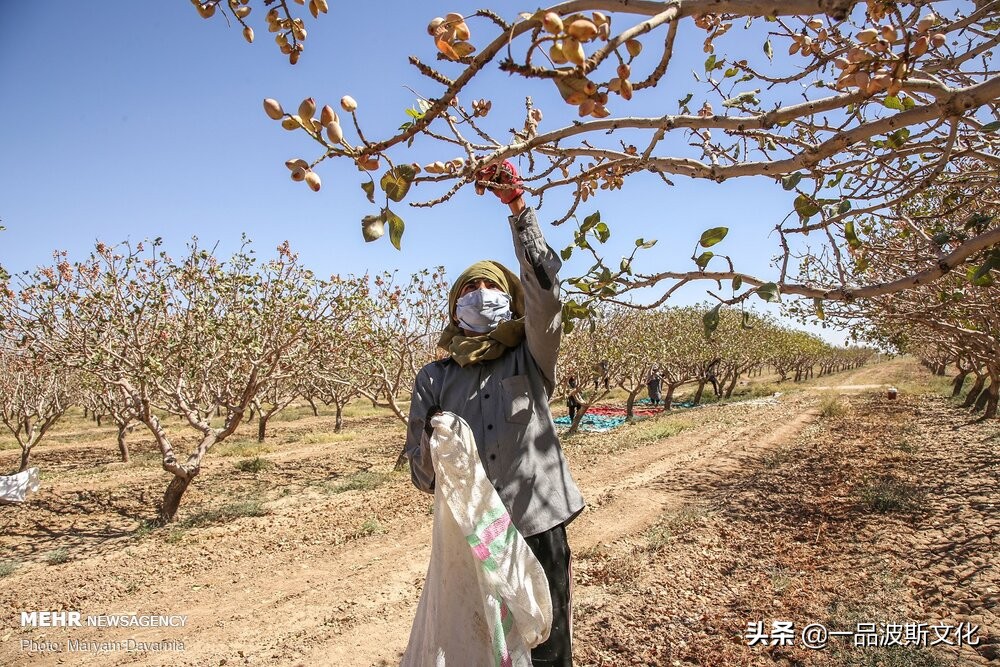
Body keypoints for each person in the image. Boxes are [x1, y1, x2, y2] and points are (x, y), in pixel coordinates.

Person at [404, 159, 585, 666]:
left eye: (490, 288)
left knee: (548, 647)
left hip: (537, 523)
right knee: (484, 650)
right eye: (467, 290)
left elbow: (546, 298)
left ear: (510, 300)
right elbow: (424, 480)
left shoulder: (529, 358)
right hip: (475, 540)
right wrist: (434, 444)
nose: (479, 296)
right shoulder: (434, 379)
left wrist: (518, 209)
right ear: (453, 307)